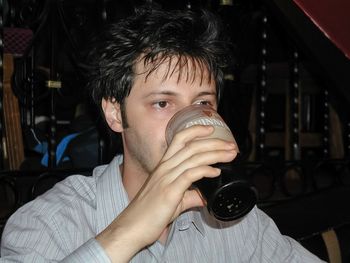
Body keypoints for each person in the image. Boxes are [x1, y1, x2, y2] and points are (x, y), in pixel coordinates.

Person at [1, 7, 324, 263]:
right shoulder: (51, 223)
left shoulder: (234, 222)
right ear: (115, 113)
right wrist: (131, 229)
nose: (191, 123)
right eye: (162, 103)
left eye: (202, 103)